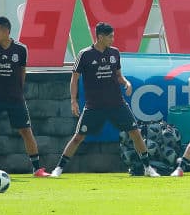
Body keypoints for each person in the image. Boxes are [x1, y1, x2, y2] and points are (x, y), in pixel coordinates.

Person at [50, 22, 159, 177]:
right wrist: (73, 101)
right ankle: (58, 169)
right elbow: (74, 79)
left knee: (135, 132)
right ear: (100, 37)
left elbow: (119, 76)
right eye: (110, 37)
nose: (112, 39)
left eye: (113, 36)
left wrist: (127, 83)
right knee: (78, 137)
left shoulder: (115, 53)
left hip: (117, 103)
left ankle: (148, 168)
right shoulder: (85, 54)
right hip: (94, 106)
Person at [0, 16, 50, 177]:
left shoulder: (21, 49)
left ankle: (37, 169)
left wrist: (19, 90)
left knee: (26, 131)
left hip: (15, 99)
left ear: (6, 31)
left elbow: (22, 71)